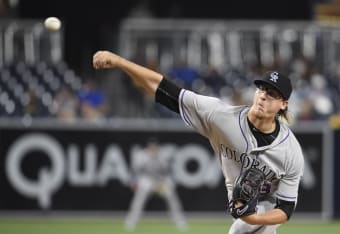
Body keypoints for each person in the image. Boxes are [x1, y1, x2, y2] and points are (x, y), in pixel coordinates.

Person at [93, 51, 304, 234]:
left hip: (264, 209)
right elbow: (163, 88)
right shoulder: (220, 116)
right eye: (262, 89)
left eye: (272, 94)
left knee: (244, 226)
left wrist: (252, 218)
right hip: (242, 211)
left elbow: (285, 209)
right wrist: (119, 61)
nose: (264, 96)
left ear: (283, 104)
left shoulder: (290, 151)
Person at [125, 138, 187, 231]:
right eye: (151, 147)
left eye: (154, 147)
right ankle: (131, 221)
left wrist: (169, 182)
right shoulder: (141, 156)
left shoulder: (163, 155)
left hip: (160, 181)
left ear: (157, 147)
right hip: (147, 181)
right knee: (138, 200)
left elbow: (168, 172)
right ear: (148, 147)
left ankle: (180, 221)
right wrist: (134, 183)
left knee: (172, 198)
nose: (153, 149)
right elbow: (136, 172)